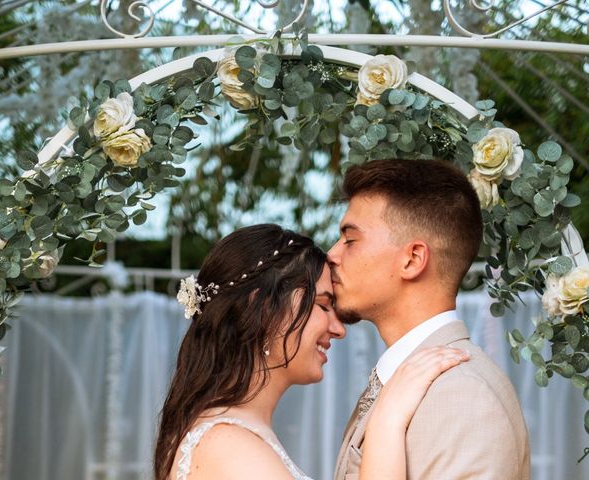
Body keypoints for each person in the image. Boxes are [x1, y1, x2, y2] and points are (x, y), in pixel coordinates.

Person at [154, 223, 470, 480]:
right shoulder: (226, 446)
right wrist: (387, 420)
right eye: (322, 305)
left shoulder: (232, 435)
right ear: (264, 310)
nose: (339, 328)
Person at [329, 159, 531, 480]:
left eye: (350, 240)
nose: (332, 254)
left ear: (412, 259)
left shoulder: (461, 396)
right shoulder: (411, 382)